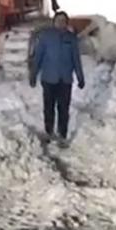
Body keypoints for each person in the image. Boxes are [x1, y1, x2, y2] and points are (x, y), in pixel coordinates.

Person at [29, 11, 85, 143]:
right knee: (48, 107)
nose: (61, 23)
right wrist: (33, 75)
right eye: (58, 20)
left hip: (65, 80)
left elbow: (76, 59)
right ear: (54, 22)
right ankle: (49, 131)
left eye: (64, 21)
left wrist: (80, 77)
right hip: (49, 79)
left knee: (63, 108)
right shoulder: (45, 37)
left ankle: (62, 134)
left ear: (67, 23)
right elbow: (38, 57)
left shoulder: (71, 38)